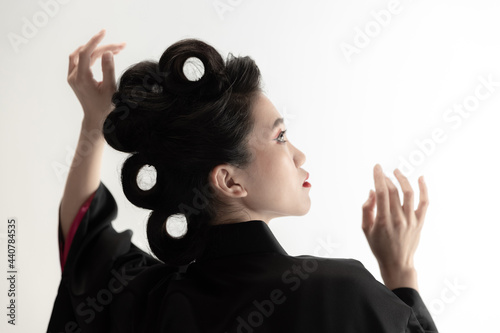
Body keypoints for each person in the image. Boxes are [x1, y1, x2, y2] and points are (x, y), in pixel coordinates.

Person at [47, 29, 438, 332]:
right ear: (229, 181)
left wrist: (94, 126)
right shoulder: (343, 293)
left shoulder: (155, 301)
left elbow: (85, 246)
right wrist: (400, 270)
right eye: (280, 137)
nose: (299, 155)